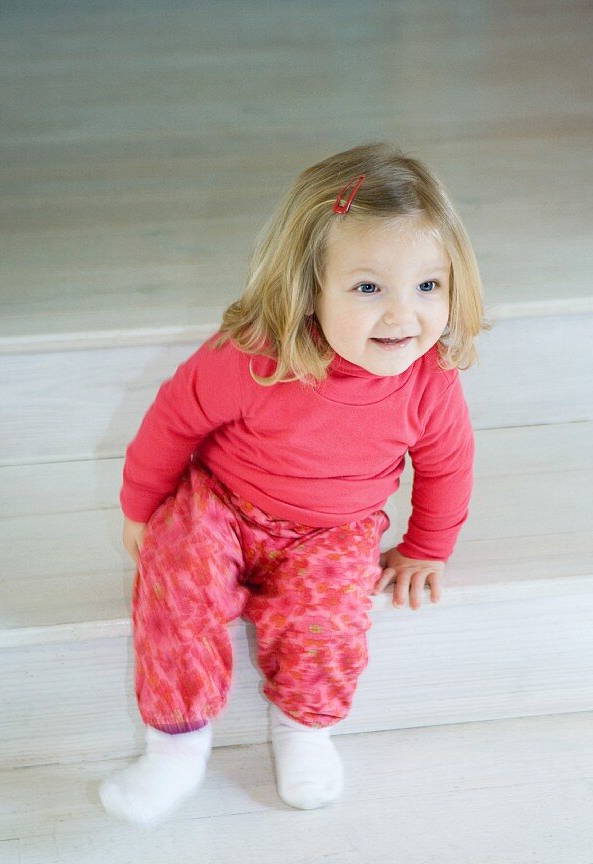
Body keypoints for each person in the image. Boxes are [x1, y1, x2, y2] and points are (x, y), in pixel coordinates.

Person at [99, 141, 489, 826]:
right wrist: (141, 507)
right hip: (221, 502)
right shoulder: (253, 356)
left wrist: (427, 546)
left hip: (335, 529)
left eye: (428, 286)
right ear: (308, 287)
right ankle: (177, 743)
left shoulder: (431, 382)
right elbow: (171, 422)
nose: (403, 314)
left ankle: (304, 730)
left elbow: (448, 466)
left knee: (328, 620)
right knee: (176, 576)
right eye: (368, 288)